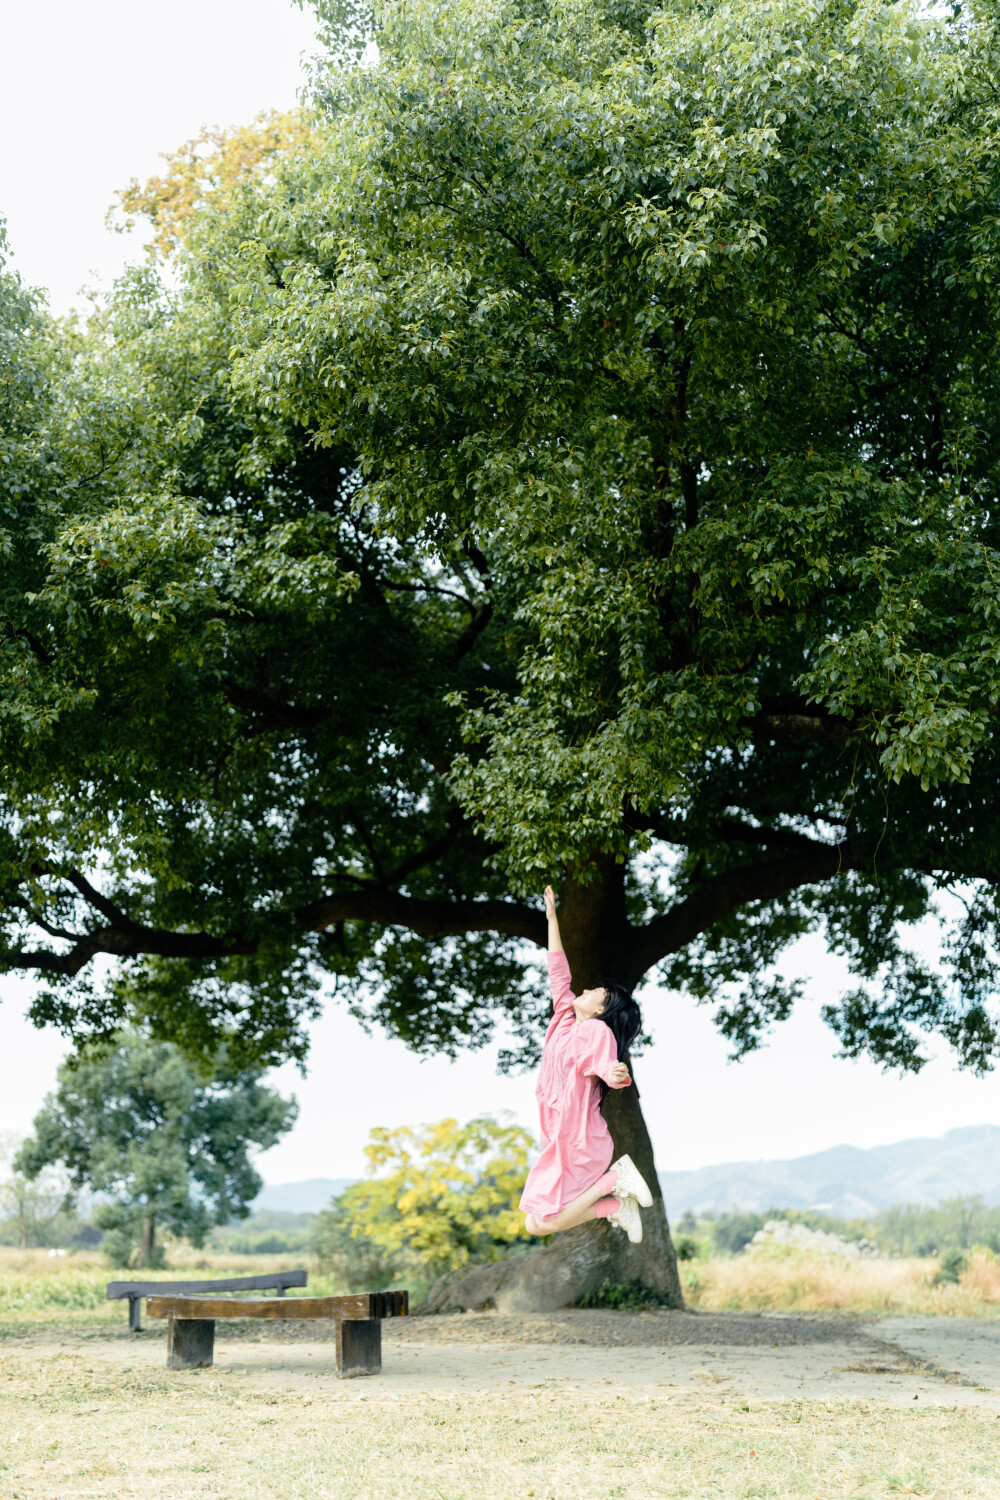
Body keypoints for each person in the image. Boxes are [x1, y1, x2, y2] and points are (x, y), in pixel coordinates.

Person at [520, 885, 653, 1243]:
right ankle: (616, 1206)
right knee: (535, 1223)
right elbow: (557, 972)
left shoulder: (595, 1031)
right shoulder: (564, 1021)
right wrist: (552, 918)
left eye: (599, 993)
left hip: (580, 1142)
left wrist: (618, 1074)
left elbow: (609, 1068)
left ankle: (615, 1179)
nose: (590, 989)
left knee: (545, 1221)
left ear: (600, 1010)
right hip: (558, 1139)